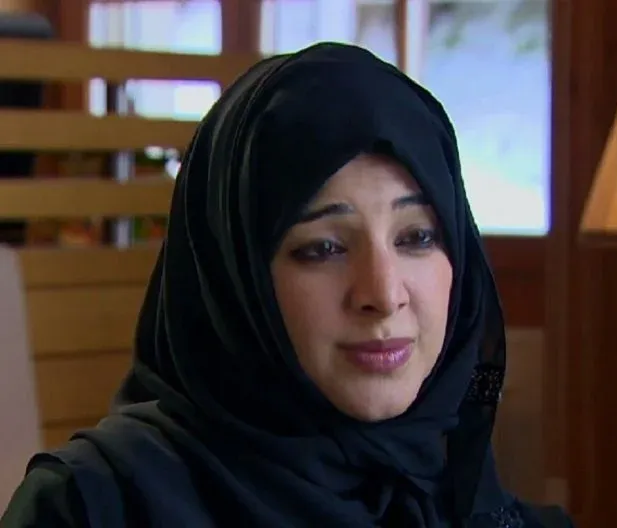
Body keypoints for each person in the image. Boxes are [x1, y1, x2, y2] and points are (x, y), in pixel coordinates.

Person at [0, 43, 574, 527]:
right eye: (323, 248)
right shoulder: (96, 506)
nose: (383, 294)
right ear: (237, 282)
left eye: (417, 237)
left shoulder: (482, 508)